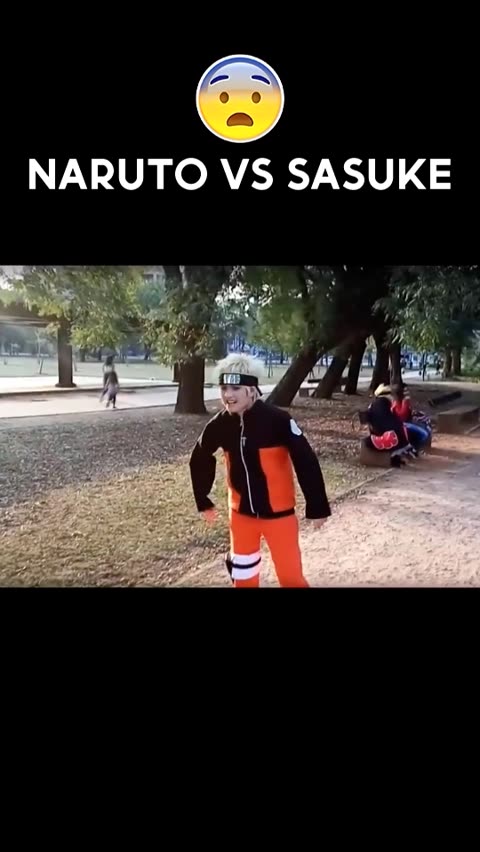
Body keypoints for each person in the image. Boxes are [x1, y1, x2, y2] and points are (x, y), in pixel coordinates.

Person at [189, 355, 331, 588]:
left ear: (251, 390)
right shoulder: (221, 423)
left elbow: (306, 460)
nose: (228, 395)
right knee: (243, 580)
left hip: (279, 517)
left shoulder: (278, 420)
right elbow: (200, 456)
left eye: (236, 388)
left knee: (291, 578)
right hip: (241, 517)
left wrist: (317, 507)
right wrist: (203, 499)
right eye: (224, 388)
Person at [362, 384, 414, 466]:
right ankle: (396, 457)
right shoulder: (384, 404)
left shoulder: (377, 404)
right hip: (389, 435)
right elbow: (399, 417)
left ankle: (396, 458)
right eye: (390, 394)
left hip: (383, 432)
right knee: (403, 434)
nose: (392, 396)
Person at [391, 382, 432, 453]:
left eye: (407, 391)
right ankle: (415, 448)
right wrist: (405, 402)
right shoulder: (396, 402)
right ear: (400, 393)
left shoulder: (403, 401)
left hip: (406, 422)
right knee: (424, 434)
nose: (407, 393)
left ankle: (417, 447)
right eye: (405, 391)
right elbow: (402, 416)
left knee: (424, 427)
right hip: (401, 424)